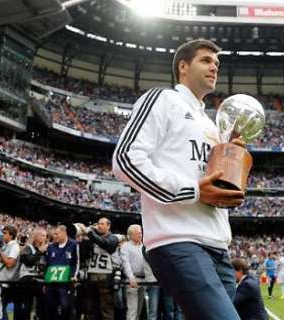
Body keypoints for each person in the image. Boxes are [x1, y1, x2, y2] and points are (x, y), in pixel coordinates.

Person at [112, 39, 244, 320]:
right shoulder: (162, 99)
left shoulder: (212, 126)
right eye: (206, 61)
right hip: (178, 240)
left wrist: (232, 160)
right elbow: (125, 160)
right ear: (183, 66)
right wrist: (193, 191)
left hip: (218, 246)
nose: (214, 67)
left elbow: (211, 185)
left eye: (217, 64)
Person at [83, 217, 119, 320]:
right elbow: (85, 255)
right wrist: (85, 240)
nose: (99, 225)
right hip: (92, 275)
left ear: (108, 226)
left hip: (105, 276)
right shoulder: (93, 238)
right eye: (98, 223)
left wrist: (91, 233)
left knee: (106, 308)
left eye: (102, 224)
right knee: (91, 307)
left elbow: (105, 244)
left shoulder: (113, 238)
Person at [44, 225, 80, 320]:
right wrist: (46, 281)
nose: (54, 236)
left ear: (64, 233)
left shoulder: (74, 244)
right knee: (51, 307)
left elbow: (77, 262)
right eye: (54, 234)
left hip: (66, 282)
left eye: (57, 234)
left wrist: (74, 276)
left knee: (66, 307)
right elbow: (48, 264)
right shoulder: (51, 246)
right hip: (51, 282)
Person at [19, 227, 49, 319]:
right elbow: (28, 262)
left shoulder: (47, 250)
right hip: (27, 279)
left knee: (43, 305)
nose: (45, 238)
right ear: (35, 236)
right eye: (42, 235)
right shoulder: (28, 248)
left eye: (45, 236)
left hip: (41, 279)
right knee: (27, 305)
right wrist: (39, 252)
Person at [0, 225, 21, 319]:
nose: (2, 235)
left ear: (11, 235)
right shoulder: (5, 245)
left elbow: (9, 263)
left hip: (4, 282)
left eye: (5, 233)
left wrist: (0, 252)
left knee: (0, 308)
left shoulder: (15, 246)